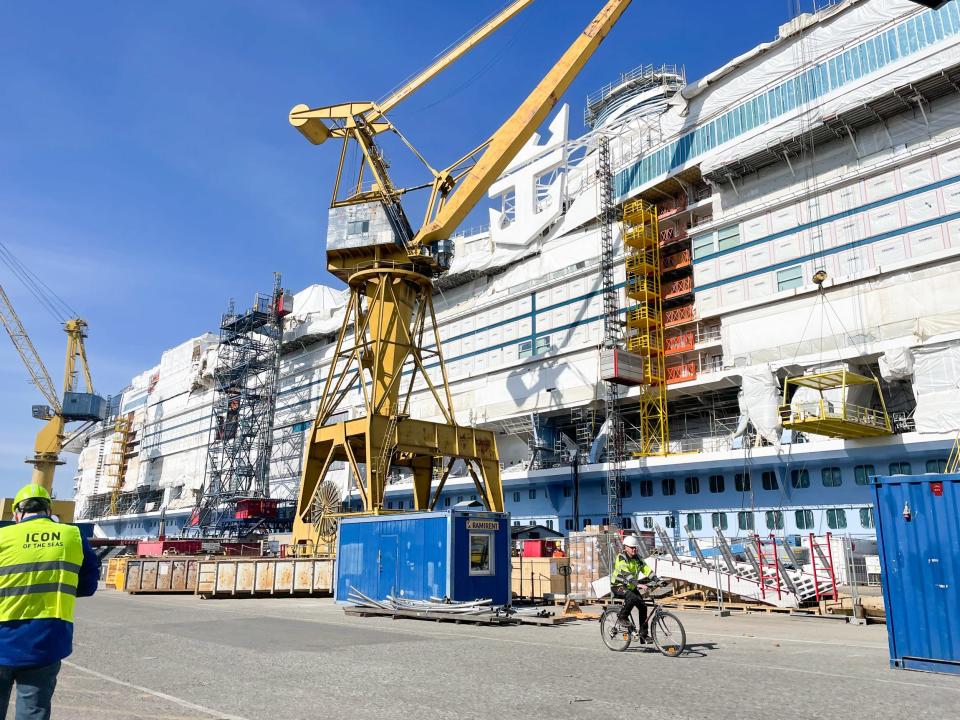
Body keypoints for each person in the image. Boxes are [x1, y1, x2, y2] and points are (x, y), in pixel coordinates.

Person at [0, 484, 100, 719]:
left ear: (17, 513)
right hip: (45, 639)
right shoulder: (72, 536)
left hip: (2, 637)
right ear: (48, 511)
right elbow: (88, 585)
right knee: (33, 711)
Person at [610, 535, 657, 640]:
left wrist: (655, 578)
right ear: (626, 547)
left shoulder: (638, 558)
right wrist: (638, 584)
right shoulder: (621, 557)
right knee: (631, 597)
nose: (634, 549)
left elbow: (646, 569)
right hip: (618, 585)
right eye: (632, 547)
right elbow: (626, 573)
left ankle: (643, 635)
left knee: (643, 607)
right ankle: (622, 617)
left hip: (630, 586)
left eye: (635, 547)